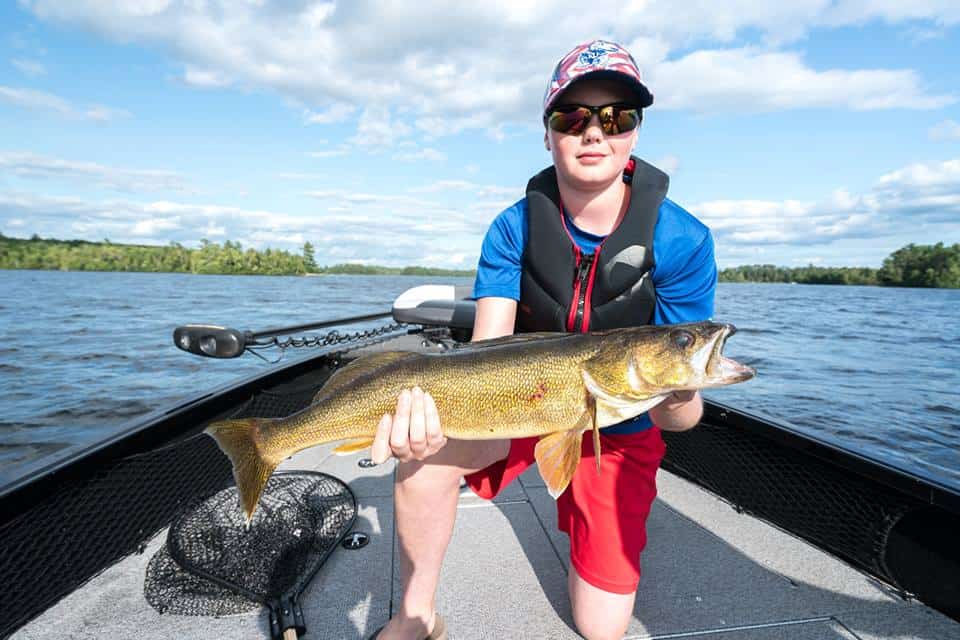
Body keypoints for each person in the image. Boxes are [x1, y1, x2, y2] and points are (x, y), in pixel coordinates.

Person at [368, 39, 717, 640]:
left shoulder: (683, 239)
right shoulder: (512, 226)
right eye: (573, 117)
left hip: (621, 430)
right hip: (519, 403)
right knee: (424, 456)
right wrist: (428, 422)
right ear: (549, 131)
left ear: (634, 133)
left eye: (617, 117)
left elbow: (679, 423)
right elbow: (487, 348)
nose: (594, 133)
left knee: (601, 628)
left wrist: (682, 388)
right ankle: (415, 616)